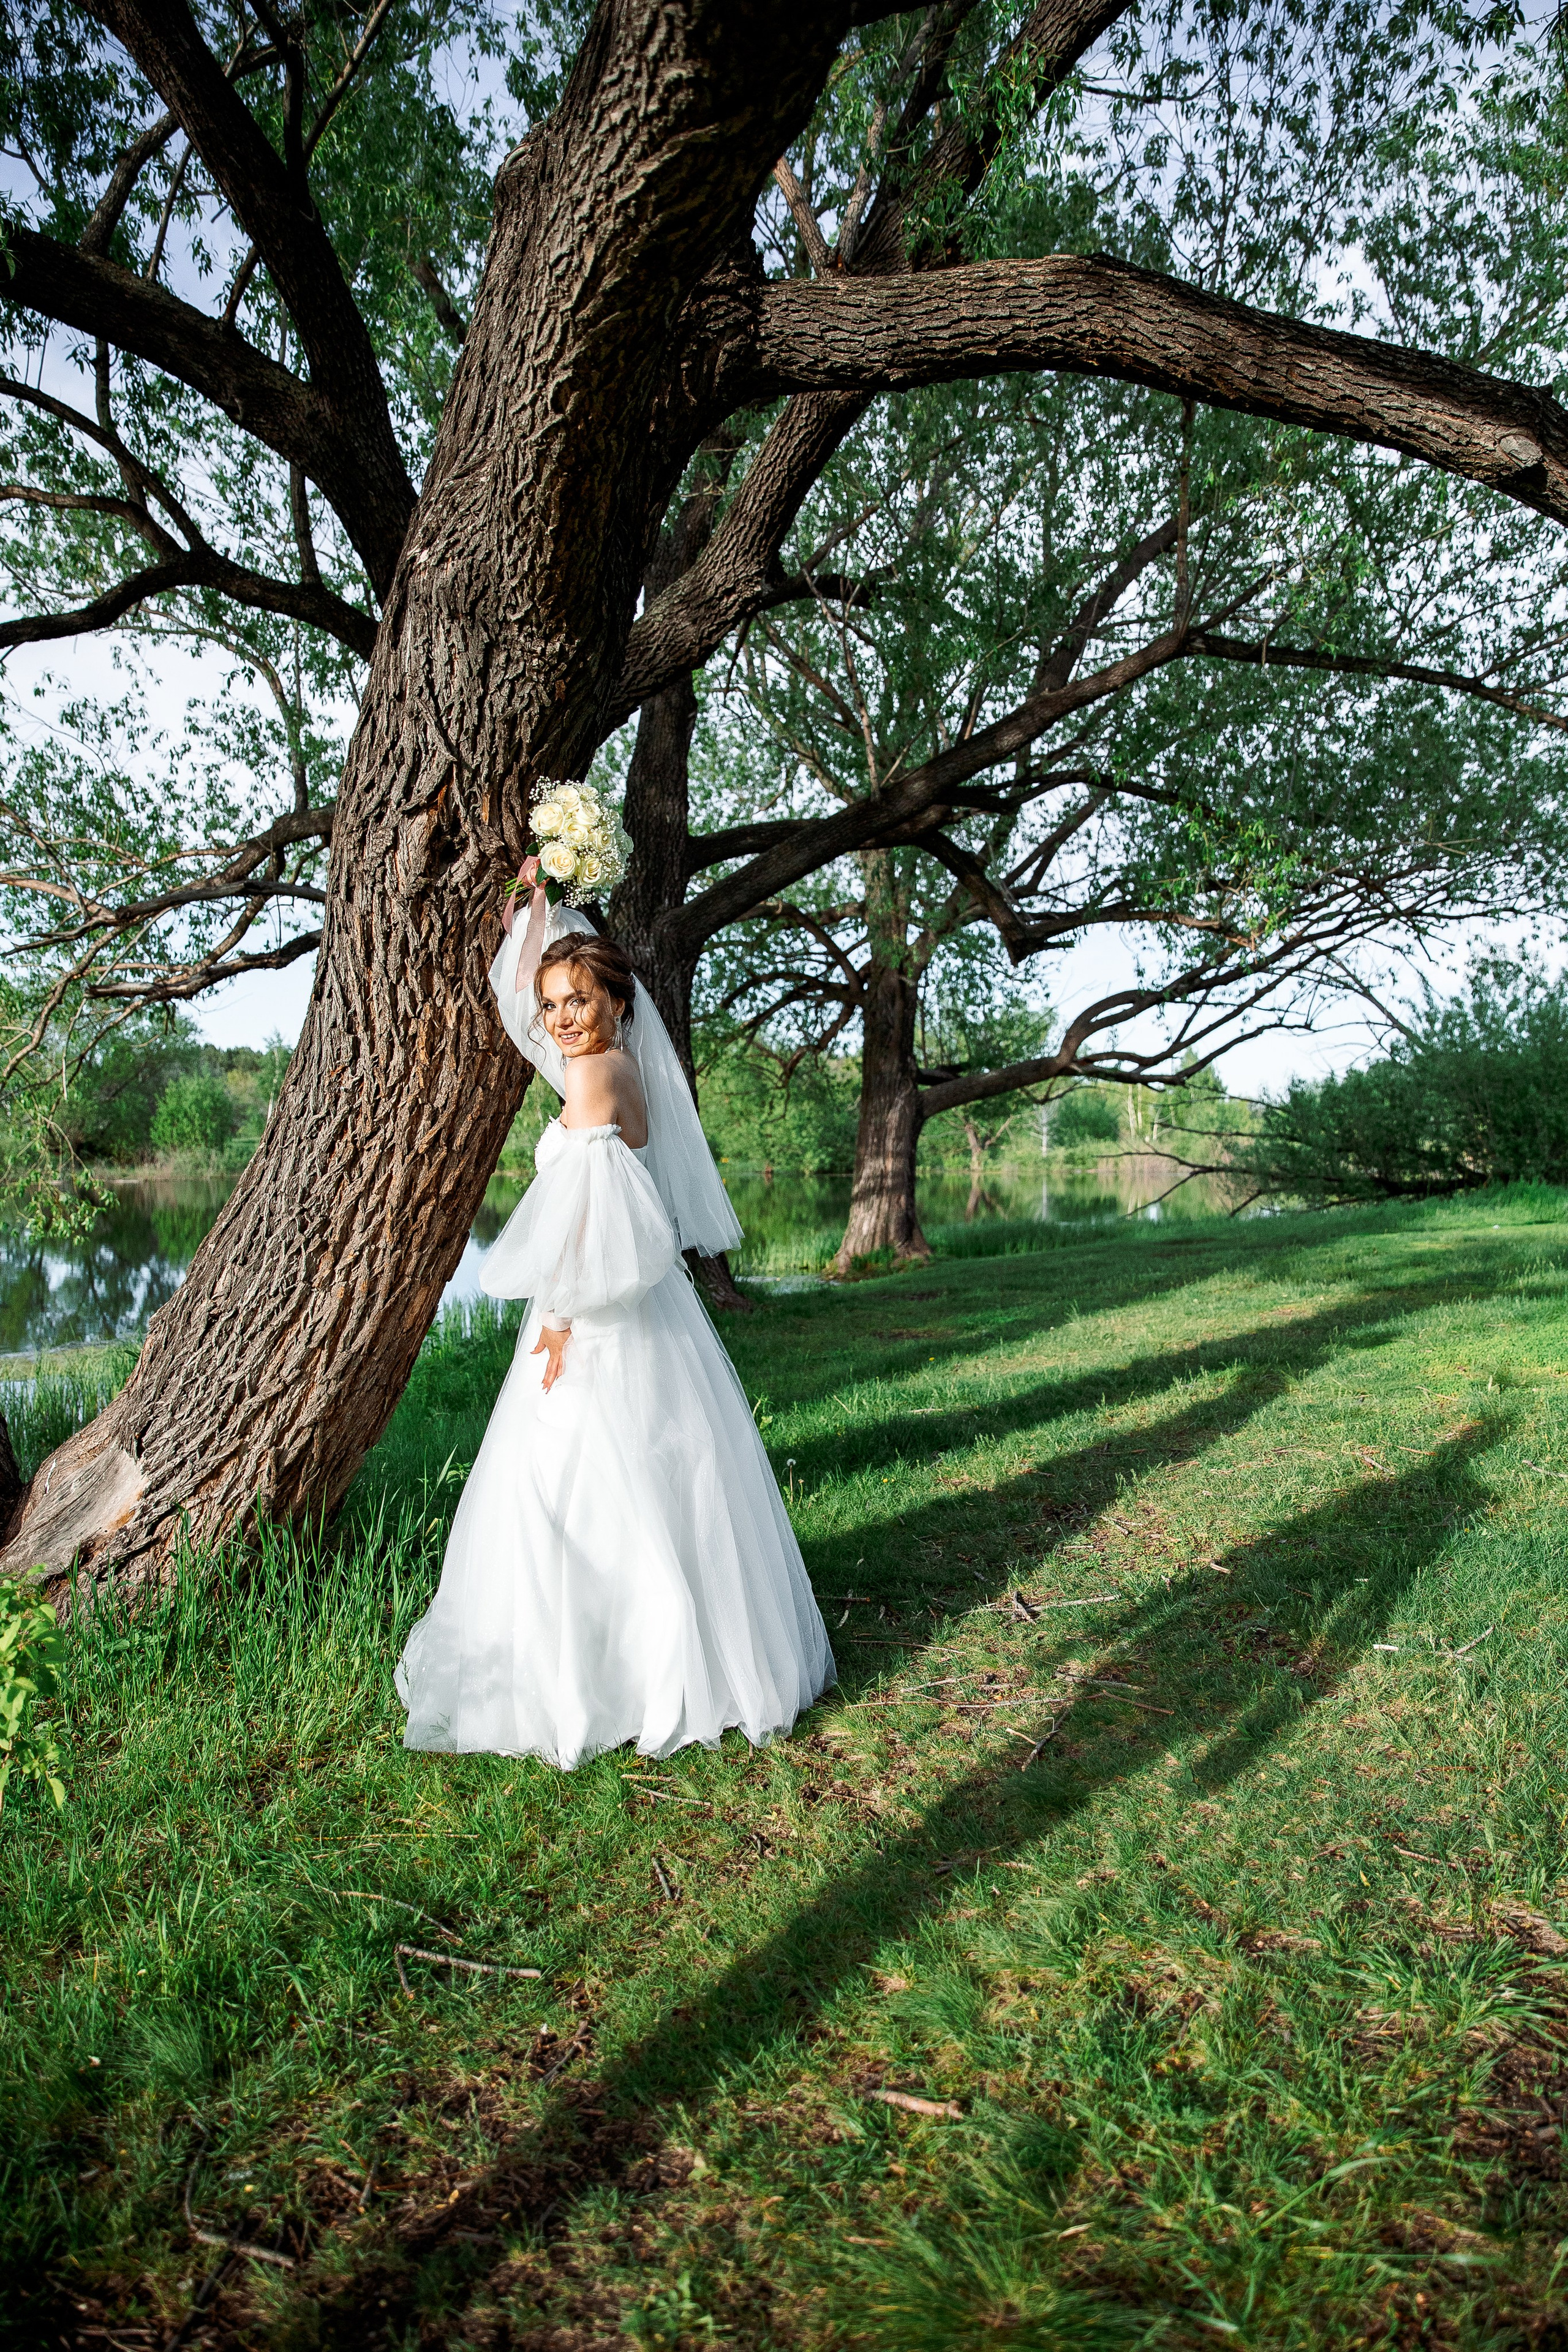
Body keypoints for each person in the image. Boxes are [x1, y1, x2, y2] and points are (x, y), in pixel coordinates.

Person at [396, 860, 835, 1766]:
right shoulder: (612, 1063)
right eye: (555, 1002)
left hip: (593, 1313)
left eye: (577, 1000)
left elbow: (593, 1224)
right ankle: (655, 1662)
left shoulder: (592, 1081)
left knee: (571, 1488)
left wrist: (555, 1316)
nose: (559, 1017)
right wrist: (538, 908)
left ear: (616, 1002)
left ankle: (607, 1679)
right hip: (648, 1311)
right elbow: (520, 1001)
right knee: (654, 1483)